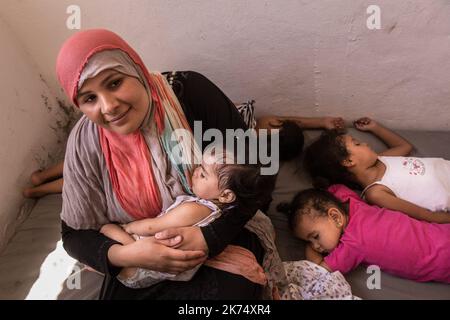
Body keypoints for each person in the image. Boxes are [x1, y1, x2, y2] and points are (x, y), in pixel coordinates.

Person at [56, 28, 272, 299]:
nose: (109, 106)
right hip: (137, 254)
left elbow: (261, 169)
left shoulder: (189, 92)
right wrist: (126, 254)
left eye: (114, 83)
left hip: (222, 227)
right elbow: (74, 234)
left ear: (136, 68)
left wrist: (209, 237)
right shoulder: (84, 144)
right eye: (89, 99)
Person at [100, 147, 272, 288]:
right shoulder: (218, 212)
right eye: (199, 166)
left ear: (226, 196)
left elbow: (153, 226)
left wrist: (127, 227)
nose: (195, 172)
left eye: (203, 174)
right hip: (153, 267)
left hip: (138, 267)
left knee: (106, 228)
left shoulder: (194, 209)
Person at [277, 184, 450, 283]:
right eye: (310, 242)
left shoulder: (352, 245)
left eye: (314, 237)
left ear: (335, 216)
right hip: (440, 232)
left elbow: (318, 270)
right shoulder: (352, 202)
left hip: (442, 262)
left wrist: (310, 251)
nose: (316, 246)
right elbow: (337, 188)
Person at [304, 117, 450, 224]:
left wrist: (375, 128)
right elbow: (420, 213)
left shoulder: (382, 158)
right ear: (349, 161)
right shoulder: (376, 192)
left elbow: (405, 147)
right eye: (358, 143)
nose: (366, 143)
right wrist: (444, 219)